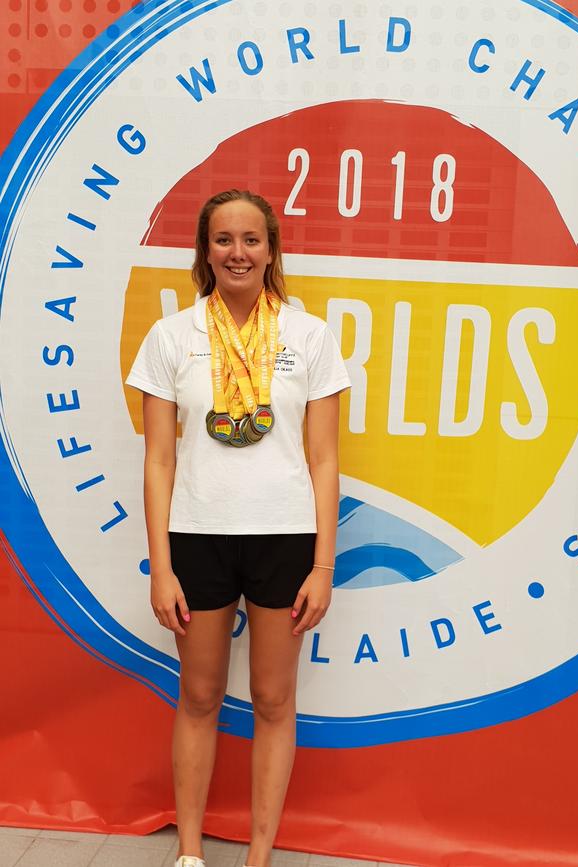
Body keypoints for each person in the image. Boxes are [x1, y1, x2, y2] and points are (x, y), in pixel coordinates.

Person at [126, 189, 350, 867]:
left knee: (273, 697)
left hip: (285, 537)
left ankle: (258, 854)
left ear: (272, 249)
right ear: (204, 251)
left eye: (251, 239)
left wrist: (323, 564)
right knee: (198, 694)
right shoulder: (171, 337)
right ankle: (190, 851)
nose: (237, 252)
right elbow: (159, 460)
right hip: (198, 534)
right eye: (223, 239)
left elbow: (323, 458)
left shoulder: (308, 337)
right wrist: (160, 565)